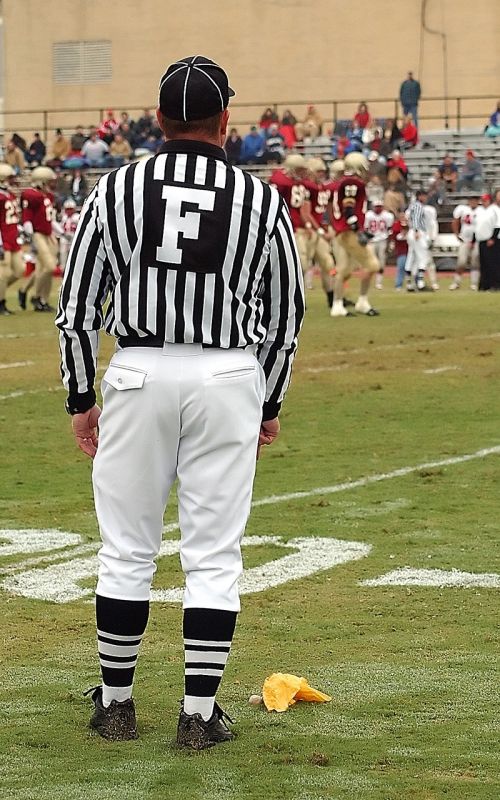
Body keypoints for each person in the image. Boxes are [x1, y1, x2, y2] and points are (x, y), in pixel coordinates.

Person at [55, 54, 304, 751]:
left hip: (136, 372)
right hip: (228, 375)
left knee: (127, 548)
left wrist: (81, 396)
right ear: (226, 121)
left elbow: (76, 310)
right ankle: (197, 712)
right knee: (214, 555)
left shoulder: (115, 190)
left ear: (159, 119)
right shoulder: (260, 199)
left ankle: (117, 703)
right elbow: (286, 316)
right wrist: (268, 401)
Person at [328, 152, 380, 317]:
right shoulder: (352, 182)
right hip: (349, 232)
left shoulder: (344, 181)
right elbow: (348, 207)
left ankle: (337, 306)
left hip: (342, 232)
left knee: (343, 269)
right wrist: (358, 230)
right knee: (372, 265)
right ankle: (362, 302)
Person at [20, 166, 58, 311]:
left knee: (43, 270)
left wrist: (60, 232)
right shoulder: (31, 195)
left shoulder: (48, 196)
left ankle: (42, 299)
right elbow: (27, 218)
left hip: (49, 234)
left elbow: (50, 219)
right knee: (49, 267)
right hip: (38, 234)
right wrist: (30, 237)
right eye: (49, 181)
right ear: (41, 181)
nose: (52, 184)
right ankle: (36, 297)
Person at [0, 164, 24, 315]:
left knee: (19, 271)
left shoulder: (9, 194)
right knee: (3, 273)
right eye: (10, 177)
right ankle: (1, 303)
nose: (13, 180)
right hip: (3, 240)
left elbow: (13, 218)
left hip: (13, 238)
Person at [450, 196, 480, 290]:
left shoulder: (481, 211)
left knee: (475, 263)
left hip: (477, 240)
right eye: (471, 200)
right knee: (461, 262)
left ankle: (474, 283)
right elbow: (455, 221)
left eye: (475, 200)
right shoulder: (463, 209)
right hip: (465, 240)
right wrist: (456, 234)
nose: (473, 202)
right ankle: (456, 282)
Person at [364, 201, 394, 289]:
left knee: (381, 262)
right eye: (376, 206)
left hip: (382, 240)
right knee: (371, 261)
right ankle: (368, 280)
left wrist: (389, 241)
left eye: (380, 206)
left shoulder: (387, 216)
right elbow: (365, 228)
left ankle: (378, 282)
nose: (378, 208)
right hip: (371, 240)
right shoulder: (368, 215)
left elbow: (389, 229)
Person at [405, 188, 430, 291]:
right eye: (424, 196)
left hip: (411, 232)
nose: (425, 198)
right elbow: (416, 218)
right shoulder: (418, 206)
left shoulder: (412, 206)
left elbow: (407, 217)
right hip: (417, 232)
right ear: (420, 196)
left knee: (411, 257)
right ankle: (420, 283)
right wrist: (416, 230)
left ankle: (409, 284)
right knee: (422, 256)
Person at [391, 212, 409, 290]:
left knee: (412, 269)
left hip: (411, 251)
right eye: (401, 216)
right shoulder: (396, 226)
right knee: (401, 267)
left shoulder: (410, 225)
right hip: (401, 251)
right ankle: (398, 284)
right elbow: (396, 237)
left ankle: (413, 283)